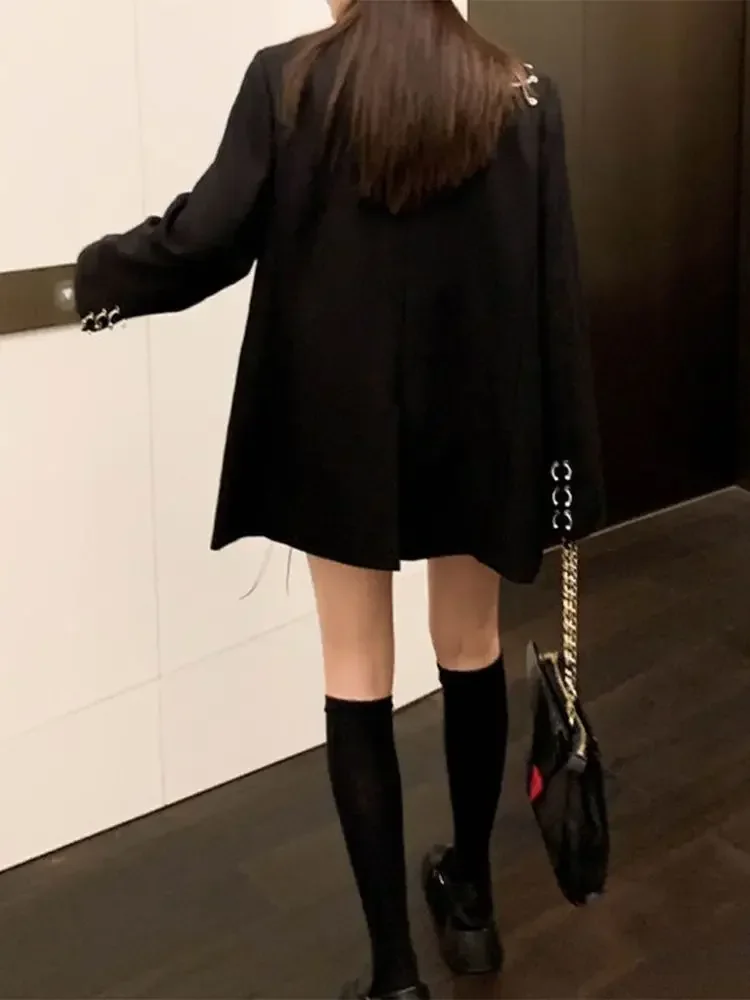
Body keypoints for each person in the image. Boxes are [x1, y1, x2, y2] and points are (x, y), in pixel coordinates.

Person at [74, 0, 603, 996]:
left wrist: (90, 283)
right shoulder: (526, 94)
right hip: (482, 430)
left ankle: (395, 974)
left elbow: (203, 242)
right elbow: (556, 294)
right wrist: (567, 477)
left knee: (357, 669)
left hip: (339, 434)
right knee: (472, 646)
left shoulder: (290, 81)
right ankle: (472, 906)